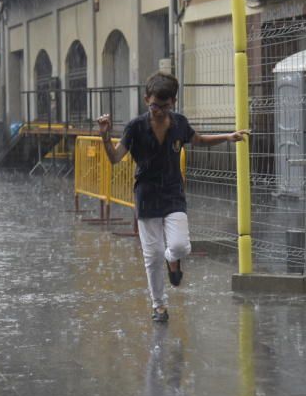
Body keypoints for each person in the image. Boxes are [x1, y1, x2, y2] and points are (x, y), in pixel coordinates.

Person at [98, 72, 248, 323]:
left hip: (173, 193)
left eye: (164, 106)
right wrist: (104, 135)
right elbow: (115, 158)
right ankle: (159, 306)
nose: (158, 111)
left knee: (179, 246)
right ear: (147, 99)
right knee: (152, 255)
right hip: (146, 194)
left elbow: (197, 139)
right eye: (155, 105)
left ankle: (173, 260)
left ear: (173, 103)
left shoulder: (179, 123)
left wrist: (227, 136)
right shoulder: (135, 127)